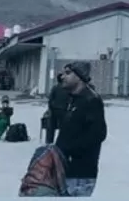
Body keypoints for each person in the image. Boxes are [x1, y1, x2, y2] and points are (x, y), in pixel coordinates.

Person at [50, 62, 108, 197]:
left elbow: (99, 134)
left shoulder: (91, 100)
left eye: (68, 73)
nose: (62, 77)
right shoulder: (72, 98)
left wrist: (70, 150)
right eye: (63, 73)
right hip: (65, 169)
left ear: (80, 77)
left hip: (81, 173)